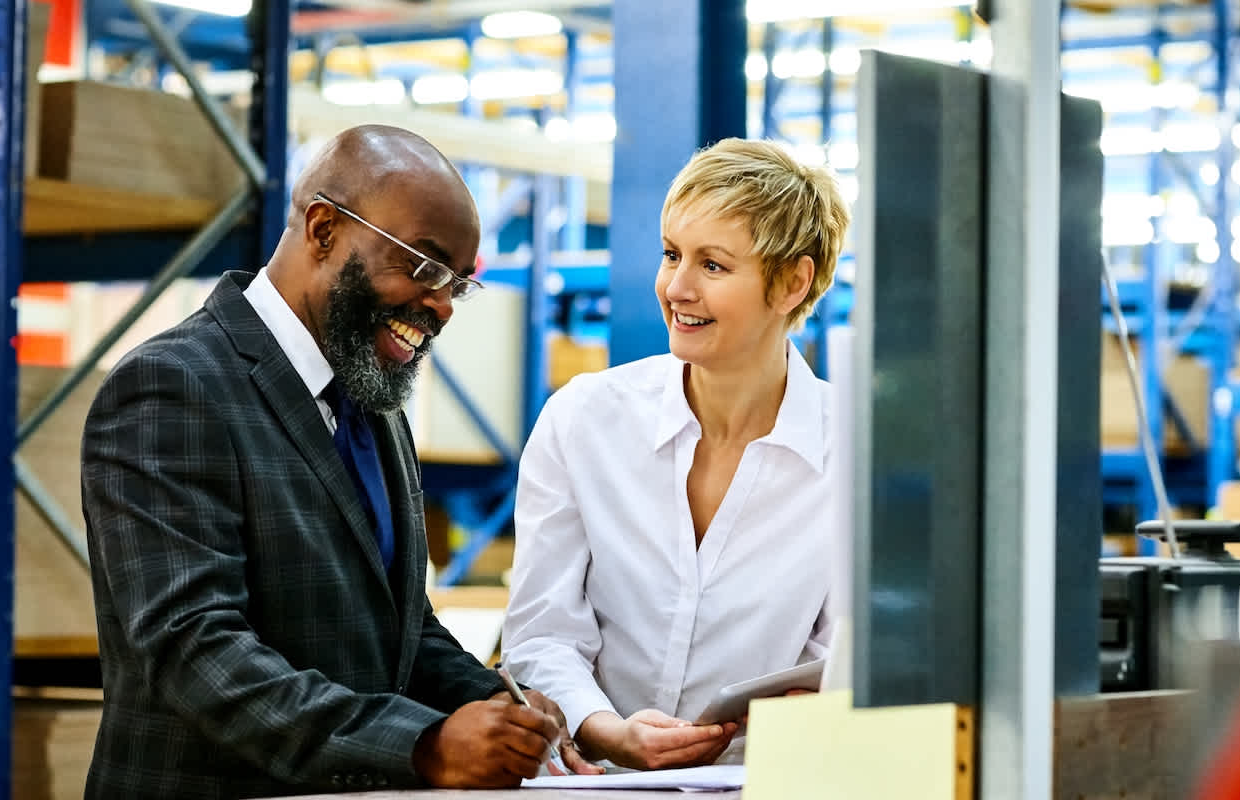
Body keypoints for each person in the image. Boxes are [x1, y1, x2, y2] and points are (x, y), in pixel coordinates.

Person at [80, 124, 598, 799]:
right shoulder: (171, 388)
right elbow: (195, 651)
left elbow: (399, 628)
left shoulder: (371, 407)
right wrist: (422, 744)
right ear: (323, 228)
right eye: (422, 265)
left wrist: (508, 710)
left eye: (457, 284)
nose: (441, 305)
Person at [501, 138, 851, 771]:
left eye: (713, 266)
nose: (677, 287)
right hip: (594, 782)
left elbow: (851, 655)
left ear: (793, 283)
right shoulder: (584, 420)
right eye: (671, 255)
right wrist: (605, 728)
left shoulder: (856, 452)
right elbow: (542, 631)